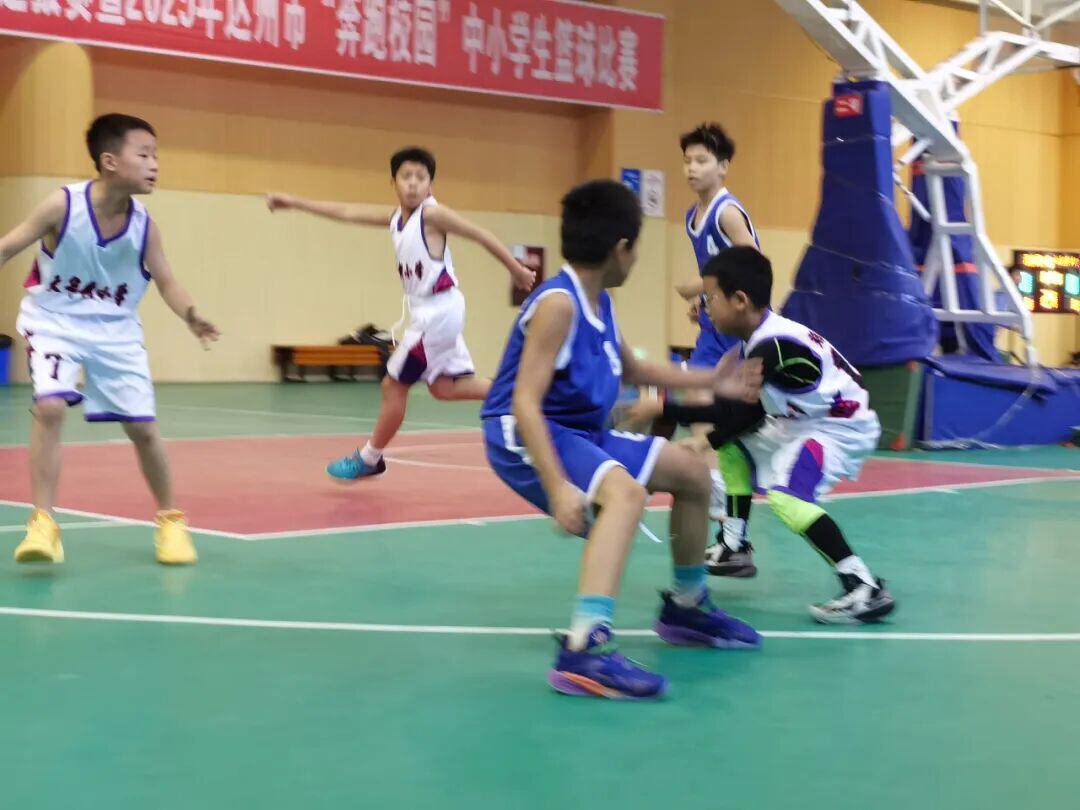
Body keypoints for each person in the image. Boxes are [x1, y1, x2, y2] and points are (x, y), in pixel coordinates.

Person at [481, 180, 763, 700]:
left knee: (692, 472)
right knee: (625, 496)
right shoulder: (559, 305)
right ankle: (585, 648)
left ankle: (687, 607)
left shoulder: (600, 302)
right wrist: (559, 488)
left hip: (578, 428)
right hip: (526, 432)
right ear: (621, 249)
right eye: (637, 248)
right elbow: (524, 402)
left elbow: (632, 368)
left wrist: (713, 380)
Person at [628, 247, 896, 623]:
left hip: (838, 427)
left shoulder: (772, 348)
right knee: (734, 445)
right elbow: (741, 416)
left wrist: (666, 411)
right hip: (801, 420)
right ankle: (733, 544)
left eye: (710, 299)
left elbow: (741, 413)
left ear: (740, 300)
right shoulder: (756, 342)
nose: (703, 308)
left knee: (787, 499)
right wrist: (707, 434)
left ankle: (863, 585)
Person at [0, 113, 219, 566]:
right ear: (110, 161)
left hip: (116, 332)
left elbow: (167, 281)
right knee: (50, 408)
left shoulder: (144, 226)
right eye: (145, 154)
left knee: (143, 429)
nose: (155, 164)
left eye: (156, 155)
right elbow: (9, 245)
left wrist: (190, 315)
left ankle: (171, 521)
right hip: (54, 322)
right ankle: (43, 524)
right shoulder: (63, 206)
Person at [267, 146, 535, 480]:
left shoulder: (432, 215)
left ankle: (370, 457)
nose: (413, 183)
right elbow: (346, 211)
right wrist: (296, 202)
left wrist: (516, 269)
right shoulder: (396, 218)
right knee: (445, 388)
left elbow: (480, 234)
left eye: (421, 177)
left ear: (430, 185)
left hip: (439, 312)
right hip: (433, 312)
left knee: (393, 386)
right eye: (406, 176)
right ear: (392, 182)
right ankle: (524, 397)